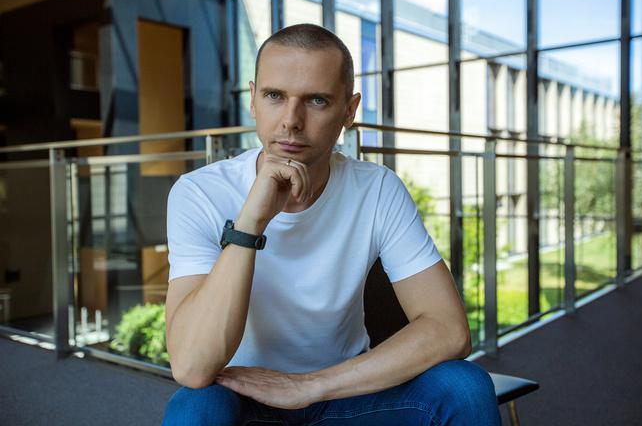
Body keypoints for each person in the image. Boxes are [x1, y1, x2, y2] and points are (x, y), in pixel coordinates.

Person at [161, 23, 500, 425]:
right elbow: (192, 367)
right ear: (253, 99)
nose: (291, 121)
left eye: (317, 100)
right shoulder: (199, 192)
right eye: (274, 96)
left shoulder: (377, 189)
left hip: (344, 392)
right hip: (243, 393)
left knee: (464, 387)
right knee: (194, 407)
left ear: (349, 110)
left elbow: (449, 330)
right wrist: (250, 222)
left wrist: (309, 386)